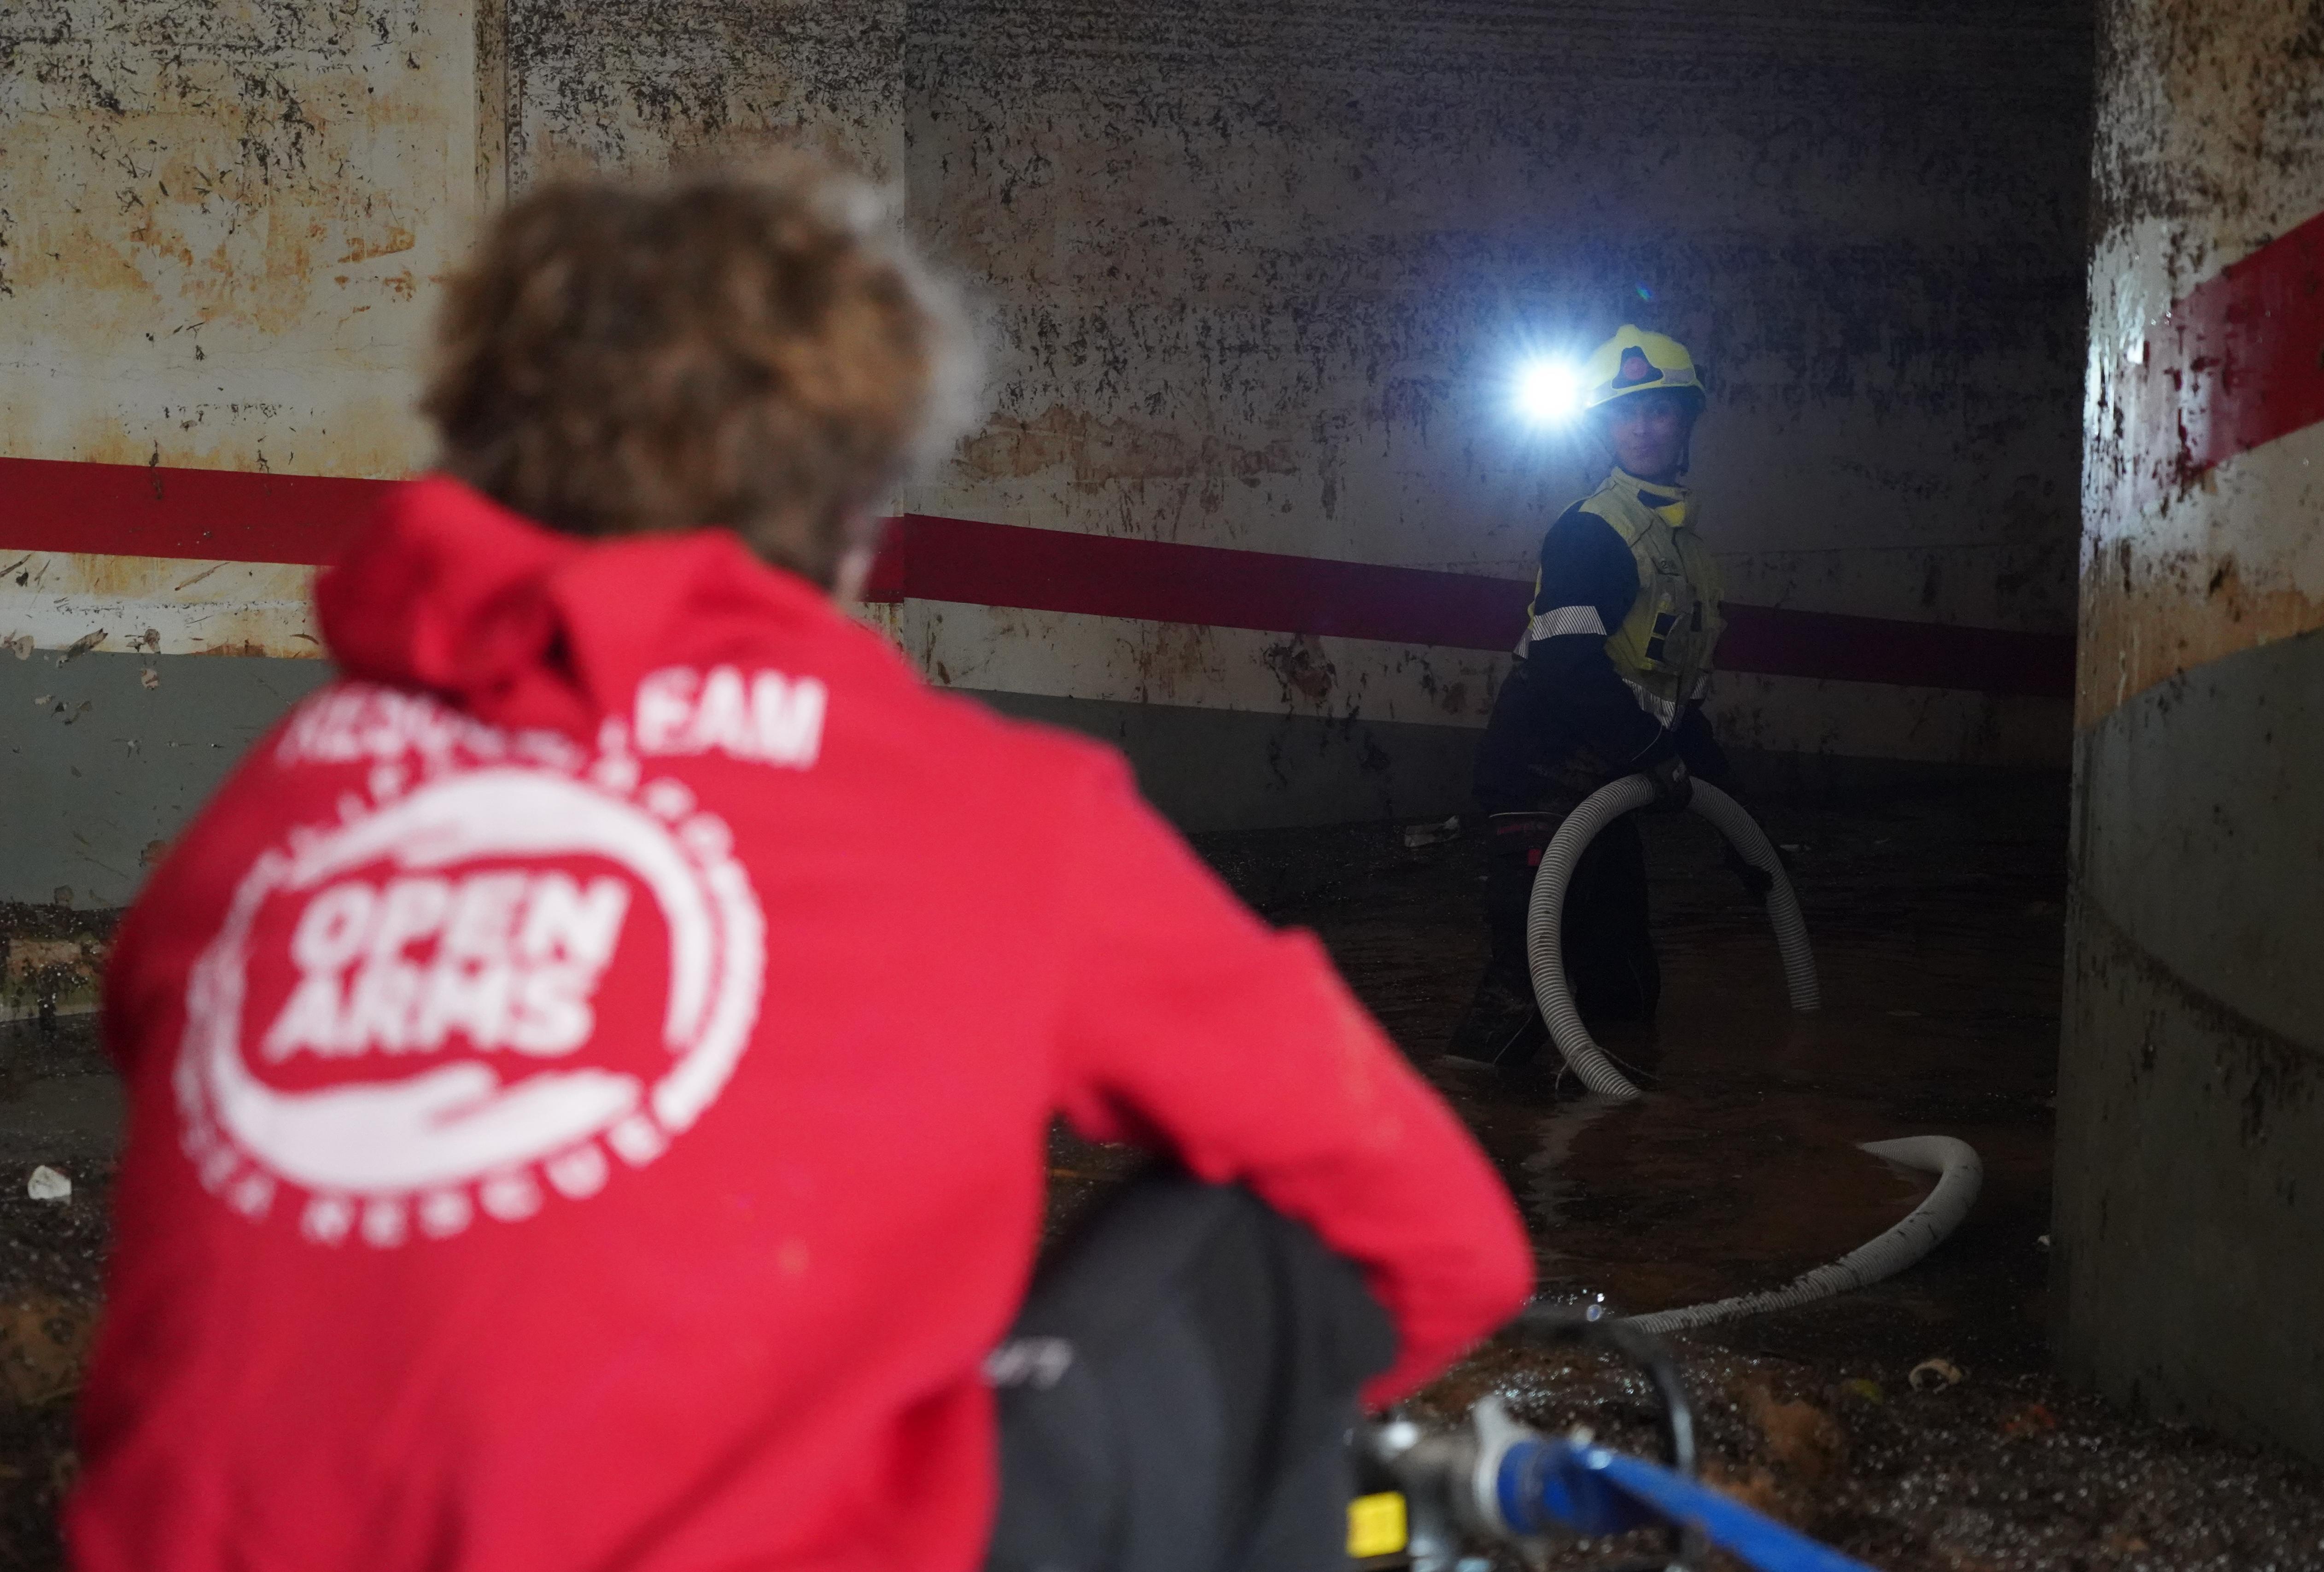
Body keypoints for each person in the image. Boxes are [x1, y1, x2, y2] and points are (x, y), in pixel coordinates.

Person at [68, 157, 1533, 1572]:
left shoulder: (273, 809)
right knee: (1259, 1228)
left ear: (484, 439)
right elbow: (1440, 1239)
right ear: (854, 511)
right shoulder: (994, 809)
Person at [1452, 325, 1734, 1071]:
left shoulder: (1685, 549)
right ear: (1606, 429)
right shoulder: (1591, 533)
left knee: (1627, 989)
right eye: (1623, 414)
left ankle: (1611, 1149)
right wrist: (1654, 758)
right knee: (1521, 1002)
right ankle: (1468, 1142)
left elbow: (1677, 698)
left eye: (1659, 411)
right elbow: (1568, 666)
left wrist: (1744, 830)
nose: (1641, 428)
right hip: (1541, 787)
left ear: (1686, 422)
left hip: (1606, 785)